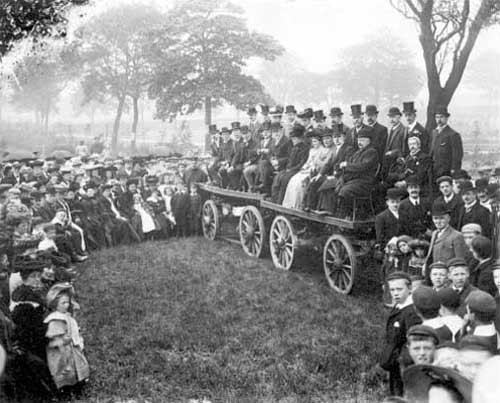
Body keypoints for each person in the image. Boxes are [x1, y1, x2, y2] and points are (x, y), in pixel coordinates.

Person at [379, 271, 421, 396]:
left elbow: (412, 339)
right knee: (395, 387)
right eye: (392, 290)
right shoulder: (399, 305)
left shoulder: (411, 312)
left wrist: (400, 357)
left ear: (409, 289)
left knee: (403, 391)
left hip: (403, 360)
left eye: (399, 289)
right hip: (394, 359)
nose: (395, 293)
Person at [44, 283, 89, 393]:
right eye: (63, 303)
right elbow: (53, 337)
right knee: (63, 368)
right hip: (61, 350)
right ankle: (65, 388)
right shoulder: (56, 319)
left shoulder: (66, 316)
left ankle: (79, 383)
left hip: (71, 347)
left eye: (67, 302)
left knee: (76, 365)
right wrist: (62, 340)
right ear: (55, 304)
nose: (66, 305)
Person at [335, 126, 380, 217]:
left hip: (365, 182)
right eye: (359, 140)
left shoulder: (371, 152)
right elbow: (349, 164)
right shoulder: (357, 152)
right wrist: (341, 167)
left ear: (369, 141)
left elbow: (362, 167)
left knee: (345, 191)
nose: (360, 142)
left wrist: (347, 165)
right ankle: (332, 212)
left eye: (363, 140)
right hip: (354, 180)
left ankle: (347, 215)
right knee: (332, 185)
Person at [282, 129, 329, 209]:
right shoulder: (311, 150)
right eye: (312, 142)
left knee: (300, 184)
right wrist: (304, 168)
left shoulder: (324, 151)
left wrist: (314, 164)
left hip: (315, 171)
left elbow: (323, 164)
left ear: (320, 142)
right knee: (293, 180)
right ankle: (290, 205)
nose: (314, 144)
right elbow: (308, 162)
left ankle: (299, 205)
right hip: (307, 169)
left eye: (315, 142)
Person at [315, 127, 355, 213]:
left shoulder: (348, 149)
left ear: (344, 137)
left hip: (343, 176)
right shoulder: (335, 149)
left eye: (339, 137)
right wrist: (320, 173)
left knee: (328, 183)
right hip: (334, 175)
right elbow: (328, 163)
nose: (337, 140)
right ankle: (315, 207)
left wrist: (334, 175)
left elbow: (346, 166)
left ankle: (328, 210)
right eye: (334, 137)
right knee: (316, 180)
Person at [425, 201, 467, 280]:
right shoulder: (434, 233)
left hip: (448, 276)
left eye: (442, 218)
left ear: (448, 218)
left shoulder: (456, 236)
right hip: (436, 275)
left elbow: (460, 261)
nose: (438, 221)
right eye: (435, 218)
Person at [271, 124, 309, 204]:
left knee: (285, 180)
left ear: (301, 139)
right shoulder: (293, 147)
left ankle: (281, 202)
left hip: (296, 170)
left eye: (295, 139)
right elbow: (289, 159)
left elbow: (302, 163)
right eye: (293, 138)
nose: (293, 140)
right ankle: (274, 200)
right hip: (289, 169)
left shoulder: (305, 148)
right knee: (277, 178)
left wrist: (291, 169)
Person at [430, 106, 464, 180]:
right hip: (434, 171)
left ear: (446, 118)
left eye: (441, 117)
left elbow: (457, 156)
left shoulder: (453, 134)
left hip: (446, 171)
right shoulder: (434, 133)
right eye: (437, 117)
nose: (439, 120)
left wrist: (454, 170)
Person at [257, 122, 291, 196]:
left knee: (266, 170)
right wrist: (271, 160)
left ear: (282, 131)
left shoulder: (287, 141)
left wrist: (278, 162)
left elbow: (289, 157)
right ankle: (266, 188)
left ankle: (268, 190)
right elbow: (270, 153)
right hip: (273, 164)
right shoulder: (273, 141)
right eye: (274, 132)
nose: (276, 134)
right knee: (263, 164)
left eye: (278, 131)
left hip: (283, 165)